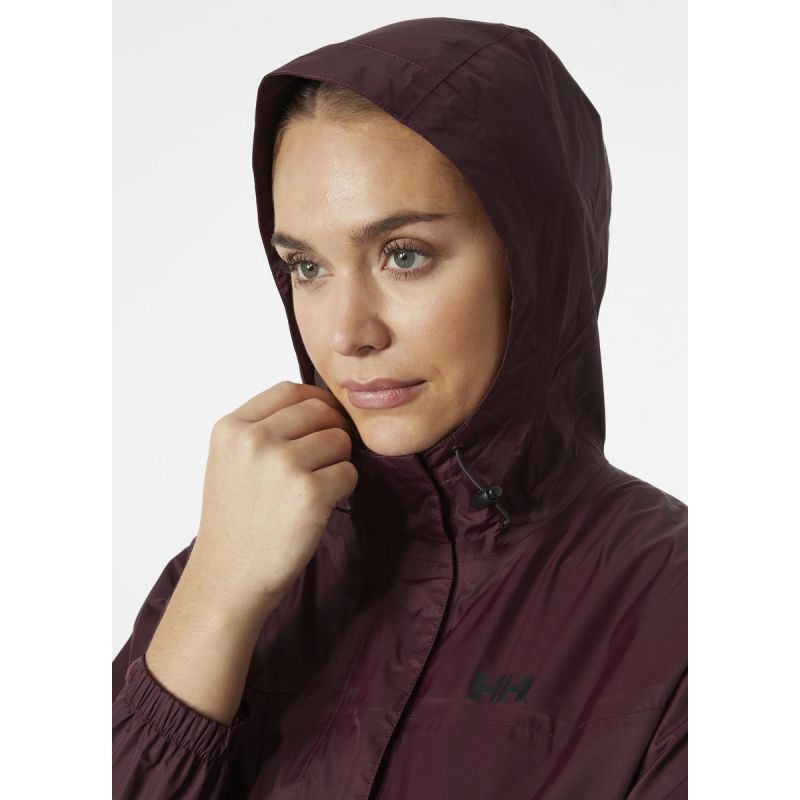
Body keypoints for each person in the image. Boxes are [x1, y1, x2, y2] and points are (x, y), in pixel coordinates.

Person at [112, 16, 687, 800]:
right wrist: (213, 600)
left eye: (404, 255)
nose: (346, 334)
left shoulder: (685, 611)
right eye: (307, 267)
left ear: (535, 257)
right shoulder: (233, 566)